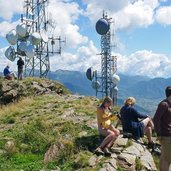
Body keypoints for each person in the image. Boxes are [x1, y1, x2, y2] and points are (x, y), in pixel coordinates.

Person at [153, 86, 171, 171]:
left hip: (167, 135)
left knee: (164, 157)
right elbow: (156, 119)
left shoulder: (169, 104)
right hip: (166, 135)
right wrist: (159, 134)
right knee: (168, 160)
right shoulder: (164, 104)